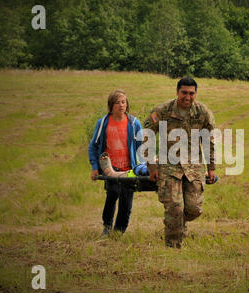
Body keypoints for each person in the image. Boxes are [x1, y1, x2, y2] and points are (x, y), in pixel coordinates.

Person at [143, 77, 216, 248]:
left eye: (191, 93)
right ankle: (172, 246)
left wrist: (211, 168)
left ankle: (178, 224)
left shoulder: (202, 112)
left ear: (195, 94)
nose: (187, 97)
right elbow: (146, 135)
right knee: (175, 207)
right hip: (169, 165)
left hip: (194, 166)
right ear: (177, 92)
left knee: (194, 209)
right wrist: (151, 167)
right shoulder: (163, 111)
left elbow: (209, 141)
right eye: (184, 92)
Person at [88, 89, 143, 237]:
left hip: (129, 169)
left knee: (126, 203)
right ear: (111, 105)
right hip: (110, 169)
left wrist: (145, 167)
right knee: (112, 196)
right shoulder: (103, 123)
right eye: (117, 102)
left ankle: (119, 232)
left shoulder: (134, 123)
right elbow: (93, 146)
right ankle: (107, 227)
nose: (121, 105)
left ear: (127, 104)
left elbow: (142, 148)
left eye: (123, 102)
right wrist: (95, 167)